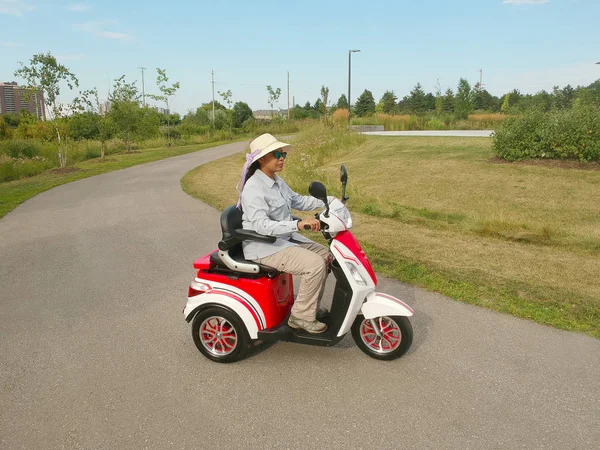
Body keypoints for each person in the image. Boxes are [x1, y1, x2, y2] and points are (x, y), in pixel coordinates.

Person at [238, 133, 331, 334]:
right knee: (314, 264)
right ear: (261, 159)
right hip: (264, 246)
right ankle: (300, 318)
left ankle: (308, 307)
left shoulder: (277, 181)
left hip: (283, 239)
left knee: (326, 256)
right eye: (276, 154)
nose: (282, 158)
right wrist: (297, 226)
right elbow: (262, 226)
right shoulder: (253, 188)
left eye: (283, 154)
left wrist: (328, 201)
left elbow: (298, 201)